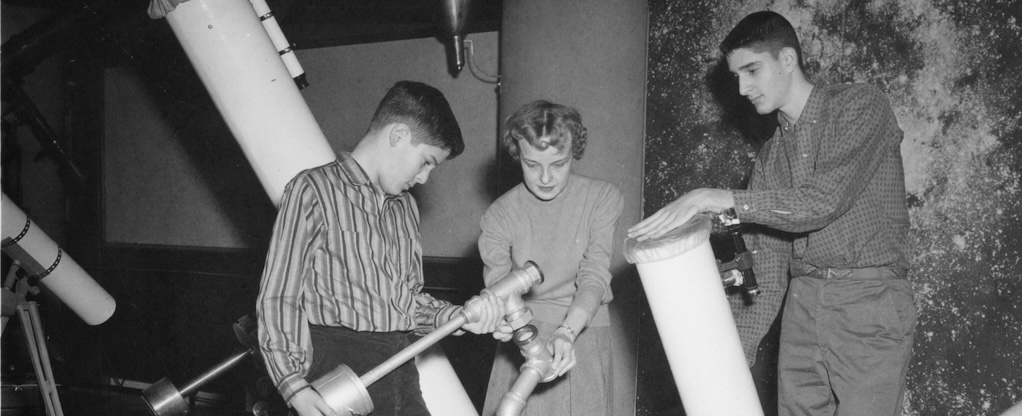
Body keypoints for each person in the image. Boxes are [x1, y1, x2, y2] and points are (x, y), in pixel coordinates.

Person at [628, 11, 917, 416]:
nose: (743, 88)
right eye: (737, 77)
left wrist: (717, 197)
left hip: (868, 301)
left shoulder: (860, 105)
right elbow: (764, 265)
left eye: (752, 70)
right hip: (803, 305)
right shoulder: (771, 157)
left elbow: (821, 202)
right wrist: (731, 359)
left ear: (787, 59)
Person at [256, 81, 505, 416]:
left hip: (400, 364)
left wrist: (457, 317)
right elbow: (279, 296)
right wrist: (294, 386)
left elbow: (405, 302)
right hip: (336, 368)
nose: (424, 179)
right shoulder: (313, 190)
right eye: (426, 162)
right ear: (399, 135)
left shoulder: (405, 208)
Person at [478, 100, 624, 416]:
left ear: (574, 155)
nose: (545, 177)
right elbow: (500, 290)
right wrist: (505, 324)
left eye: (558, 164)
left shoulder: (602, 197)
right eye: (532, 165)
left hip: (582, 329)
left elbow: (595, 273)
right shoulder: (499, 215)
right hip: (524, 338)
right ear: (517, 155)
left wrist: (567, 331)